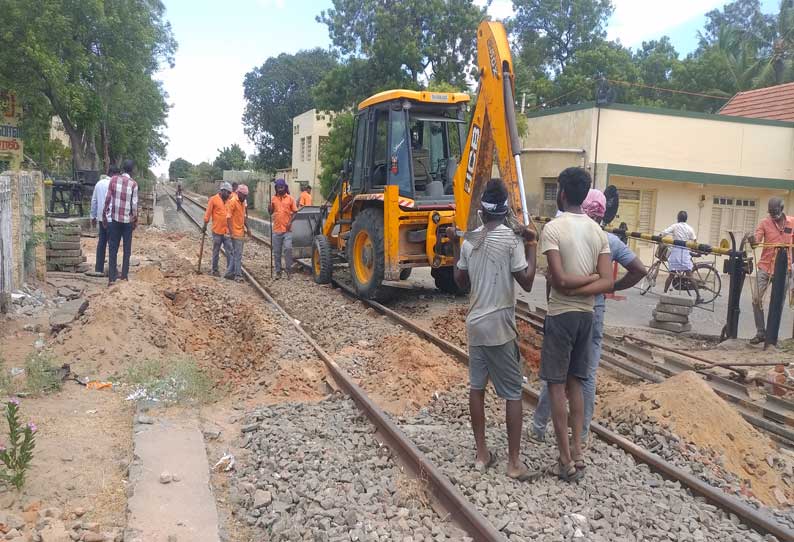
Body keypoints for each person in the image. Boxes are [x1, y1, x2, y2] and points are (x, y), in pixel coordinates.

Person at [532, 188, 646, 446]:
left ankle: (539, 426)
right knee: (585, 374)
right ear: (604, 213)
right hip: (593, 312)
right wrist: (611, 286)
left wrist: (557, 299)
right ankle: (580, 436)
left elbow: (554, 277)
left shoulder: (563, 231)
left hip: (563, 308)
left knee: (556, 373)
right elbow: (639, 269)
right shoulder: (608, 240)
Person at [447, 179, 537, 480]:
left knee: (477, 388)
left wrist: (454, 247)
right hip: (500, 326)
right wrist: (533, 246)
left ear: (483, 212)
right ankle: (513, 464)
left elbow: (460, 281)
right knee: (513, 393)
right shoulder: (512, 241)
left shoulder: (470, 240)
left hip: (475, 325)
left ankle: (482, 454)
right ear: (505, 211)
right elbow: (525, 281)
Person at [539, 167, 613, 482]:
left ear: (563, 193)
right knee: (577, 384)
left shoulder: (553, 229)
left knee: (556, 386)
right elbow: (608, 280)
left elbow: (559, 279)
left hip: (561, 315)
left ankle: (565, 458)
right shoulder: (598, 233)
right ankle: (579, 452)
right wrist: (589, 280)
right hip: (587, 316)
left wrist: (570, 286)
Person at [749, 197, 794, 344]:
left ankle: (772, 335)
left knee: (778, 303)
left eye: (775, 212)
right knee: (756, 299)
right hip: (765, 267)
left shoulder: (792, 222)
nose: (773, 215)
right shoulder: (764, 223)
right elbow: (756, 242)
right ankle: (761, 332)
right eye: (771, 212)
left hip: (784, 269)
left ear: (781, 209)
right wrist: (752, 240)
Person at [102, 160, 138, 285]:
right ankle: (124, 276)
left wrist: (104, 215)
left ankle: (112, 278)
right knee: (127, 249)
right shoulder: (133, 184)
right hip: (127, 221)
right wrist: (135, 220)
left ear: (123, 169)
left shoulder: (113, 180)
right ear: (132, 170)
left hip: (115, 220)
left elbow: (107, 199)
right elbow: (134, 205)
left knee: (113, 248)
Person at [90, 166, 119, 275]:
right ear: (113, 174)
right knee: (112, 244)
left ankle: (99, 268)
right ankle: (112, 270)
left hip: (101, 218)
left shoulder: (99, 184)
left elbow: (94, 201)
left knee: (101, 242)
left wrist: (92, 216)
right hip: (112, 219)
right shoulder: (115, 184)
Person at [269, 178, 298, 279]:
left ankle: (288, 270)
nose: (280, 189)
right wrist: (269, 207)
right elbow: (270, 212)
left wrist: (290, 222)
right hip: (276, 229)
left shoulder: (290, 199)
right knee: (276, 252)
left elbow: (295, 212)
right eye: (278, 187)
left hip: (287, 230)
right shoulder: (273, 198)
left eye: (282, 187)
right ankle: (278, 271)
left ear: (285, 187)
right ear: (276, 188)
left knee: (288, 249)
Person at [660, 211, 696, 292]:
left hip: (675, 253)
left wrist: (658, 237)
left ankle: (665, 292)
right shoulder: (690, 228)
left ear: (678, 218)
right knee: (690, 276)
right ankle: (698, 296)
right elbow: (694, 240)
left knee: (671, 275)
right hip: (685, 254)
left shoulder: (675, 226)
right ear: (686, 219)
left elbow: (664, 232)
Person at [203, 182, 234, 277]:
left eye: (230, 193)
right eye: (228, 193)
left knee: (229, 251)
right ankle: (215, 270)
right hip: (217, 231)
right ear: (222, 191)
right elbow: (208, 214)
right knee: (216, 250)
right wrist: (205, 225)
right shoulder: (213, 199)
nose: (229, 195)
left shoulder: (229, 201)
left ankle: (230, 272)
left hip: (226, 231)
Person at [224, 184, 249, 282]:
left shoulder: (242, 203)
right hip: (235, 233)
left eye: (246, 195)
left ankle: (229, 273)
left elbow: (243, 217)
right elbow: (228, 217)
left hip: (241, 232)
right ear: (238, 193)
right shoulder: (233, 202)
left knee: (236, 254)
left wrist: (248, 229)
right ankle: (238, 275)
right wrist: (231, 233)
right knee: (238, 255)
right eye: (244, 195)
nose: (245, 197)